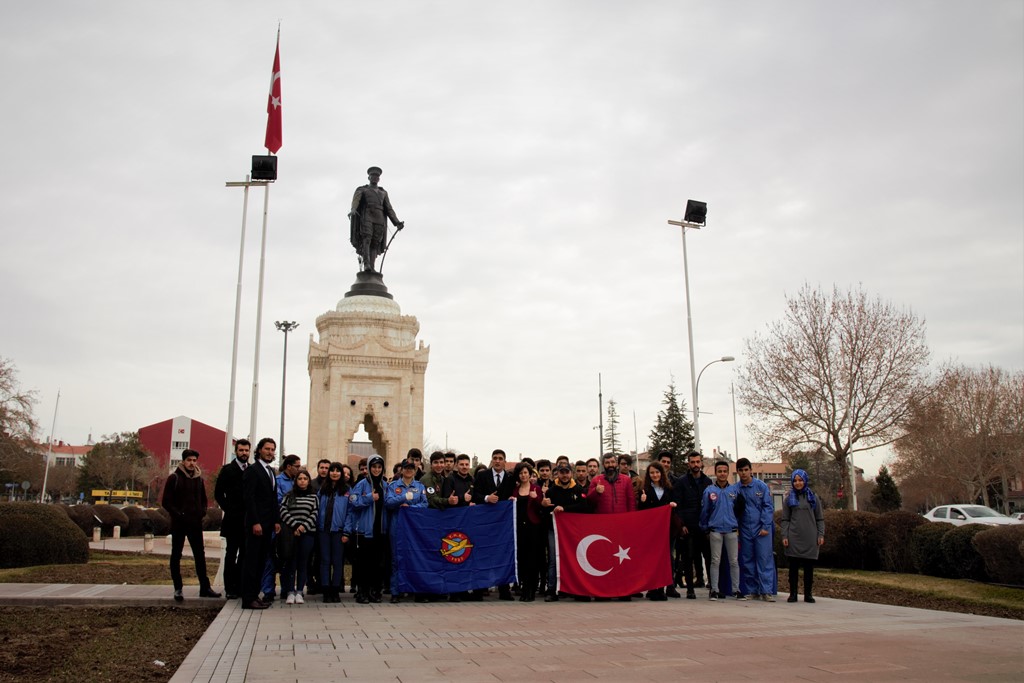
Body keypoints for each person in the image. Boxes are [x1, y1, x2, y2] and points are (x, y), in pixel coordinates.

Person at [162, 449, 220, 602]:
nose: (192, 463)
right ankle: (178, 588)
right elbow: (166, 502)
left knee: (200, 556)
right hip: (179, 524)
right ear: (183, 461)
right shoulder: (174, 478)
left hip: (195, 523)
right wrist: (179, 514)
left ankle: (205, 587)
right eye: (189, 460)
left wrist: (202, 512)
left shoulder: (199, 479)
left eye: (194, 460)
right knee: (176, 555)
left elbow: (203, 499)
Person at [539, 463, 589, 601]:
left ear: (571, 473)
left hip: (574, 532)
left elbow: (584, 506)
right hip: (553, 531)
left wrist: (564, 509)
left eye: (567, 472)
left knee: (576, 558)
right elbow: (544, 512)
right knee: (553, 560)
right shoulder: (551, 491)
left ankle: (578, 590)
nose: (565, 475)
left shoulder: (579, 489)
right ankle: (551, 590)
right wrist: (543, 506)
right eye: (562, 472)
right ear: (557, 474)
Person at [242, 438, 280, 609]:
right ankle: (248, 598)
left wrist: (276, 520)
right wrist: (255, 522)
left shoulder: (271, 471)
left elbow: (272, 499)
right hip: (256, 526)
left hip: (267, 525)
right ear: (259, 450)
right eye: (267, 449)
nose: (270, 452)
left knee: (261, 562)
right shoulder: (253, 470)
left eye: (272, 449)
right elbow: (248, 499)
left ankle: (255, 595)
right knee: (252, 562)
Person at [473, 449, 515, 601]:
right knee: (482, 554)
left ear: (505, 461)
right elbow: (474, 495)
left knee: (503, 554)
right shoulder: (482, 475)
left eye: (500, 458)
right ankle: (479, 589)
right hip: (484, 522)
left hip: (502, 524)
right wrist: (486, 498)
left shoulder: (510, 478)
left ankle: (504, 590)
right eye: (495, 458)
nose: (497, 461)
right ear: (491, 460)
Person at [384, 459, 428, 603]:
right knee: (396, 559)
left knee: (415, 558)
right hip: (397, 526)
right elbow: (388, 503)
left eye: (411, 468)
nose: (409, 471)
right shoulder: (393, 486)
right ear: (401, 470)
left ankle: (415, 591)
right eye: (406, 468)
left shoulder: (420, 486)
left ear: (415, 471)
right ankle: (396, 592)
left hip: (415, 529)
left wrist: (411, 508)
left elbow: (425, 504)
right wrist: (403, 497)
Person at [780, 469, 825, 604]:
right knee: (793, 567)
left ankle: (808, 594)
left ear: (805, 481)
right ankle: (793, 594)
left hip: (810, 537)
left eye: (800, 480)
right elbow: (785, 519)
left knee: (808, 567)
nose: (798, 483)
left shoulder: (813, 497)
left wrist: (820, 534)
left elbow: (820, 518)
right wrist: (784, 535)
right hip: (794, 537)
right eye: (795, 480)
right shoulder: (789, 499)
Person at [735, 457, 777, 601]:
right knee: (748, 560)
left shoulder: (761, 487)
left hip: (761, 530)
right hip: (745, 529)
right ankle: (753, 590)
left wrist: (765, 526)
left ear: (751, 470)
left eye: (746, 470)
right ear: (737, 472)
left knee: (764, 559)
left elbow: (768, 506)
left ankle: (766, 591)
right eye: (741, 470)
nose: (744, 473)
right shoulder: (735, 489)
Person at [348, 455, 388, 604]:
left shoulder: (386, 485)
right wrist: (370, 498)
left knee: (377, 563)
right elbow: (353, 502)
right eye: (374, 467)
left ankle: (374, 591)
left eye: (379, 467)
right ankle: (362, 592)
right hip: (365, 530)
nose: (376, 470)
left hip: (381, 529)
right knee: (364, 563)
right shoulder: (362, 484)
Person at [700, 461, 742, 601]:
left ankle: (736, 589)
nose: (722, 474)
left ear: (728, 472)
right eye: (719, 471)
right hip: (715, 530)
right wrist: (705, 528)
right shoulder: (709, 491)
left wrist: (737, 526)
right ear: (715, 473)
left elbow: (739, 510)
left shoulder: (735, 491)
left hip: (731, 530)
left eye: (725, 471)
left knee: (734, 561)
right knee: (715, 561)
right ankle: (714, 590)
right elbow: (705, 511)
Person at [348, 166, 404, 272]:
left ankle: (372, 267)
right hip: (367, 216)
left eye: (377, 176)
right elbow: (356, 200)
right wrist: (353, 209)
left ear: (379, 179)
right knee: (367, 239)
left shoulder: (383, 193)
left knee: (375, 243)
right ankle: (367, 265)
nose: (375, 178)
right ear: (369, 177)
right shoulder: (363, 190)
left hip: (379, 219)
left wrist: (396, 222)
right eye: (373, 176)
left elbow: (389, 209)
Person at [214, 439, 250, 600]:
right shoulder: (228, 470)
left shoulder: (251, 470)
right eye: (241, 450)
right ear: (236, 451)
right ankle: (230, 588)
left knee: (244, 554)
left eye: (246, 450)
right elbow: (218, 494)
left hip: (247, 520)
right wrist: (229, 509)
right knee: (231, 554)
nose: (244, 453)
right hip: (233, 520)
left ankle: (241, 585)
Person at [637, 462, 679, 601]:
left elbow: (676, 505)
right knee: (652, 559)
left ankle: (661, 588)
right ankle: (652, 588)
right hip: (652, 532)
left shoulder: (670, 489)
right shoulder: (645, 490)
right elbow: (641, 512)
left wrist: (673, 505)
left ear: (662, 473)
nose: (655, 475)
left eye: (657, 472)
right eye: (652, 473)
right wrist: (642, 501)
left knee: (665, 558)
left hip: (667, 530)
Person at [279, 469, 319, 605]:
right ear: (296, 481)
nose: (302, 481)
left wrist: (303, 527)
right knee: (291, 563)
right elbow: (283, 511)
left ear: (309, 481)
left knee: (303, 563)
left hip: (307, 534)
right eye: (300, 478)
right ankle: (290, 591)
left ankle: (300, 591)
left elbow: (315, 513)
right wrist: (295, 526)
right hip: (291, 533)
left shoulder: (314, 497)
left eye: (305, 479)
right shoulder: (289, 495)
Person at [675, 450, 712, 599]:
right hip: (688, 526)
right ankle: (690, 588)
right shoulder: (681, 482)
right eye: (693, 462)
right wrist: (682, 524)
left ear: (701, 463)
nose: (695, 465)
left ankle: (712, 587)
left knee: (708, 558)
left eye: (698, 462)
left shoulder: (707, 482)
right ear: (688, 463)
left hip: (704, 527)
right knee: (688, 558)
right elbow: (678, 504)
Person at [510, 462, 544, 602]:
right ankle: (524, 588)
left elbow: (542, 507)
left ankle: (531, 589)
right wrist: (511, 501)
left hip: (533, 527)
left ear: (530, 475)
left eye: (525, 473)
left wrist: (536, 498)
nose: (523, 475)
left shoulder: (536, 488)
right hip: (519, 528)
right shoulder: (515, 490)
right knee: (522, 559)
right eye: (521, 473)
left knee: (533, 559)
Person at [318, 462, 351, 603]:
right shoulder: (323, 489)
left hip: (339, 531)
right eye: (333, 470)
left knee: (338, 562)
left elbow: (350, 512)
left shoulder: (347, 490)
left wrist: (346, 532)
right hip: (323, 530)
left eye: (338, 471)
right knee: (325, 560)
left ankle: (335, 589)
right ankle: (326, 590)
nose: (335, 473)